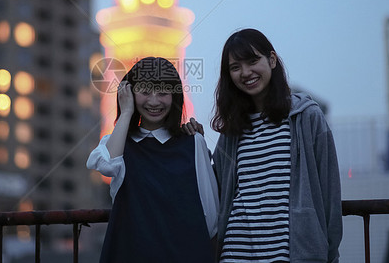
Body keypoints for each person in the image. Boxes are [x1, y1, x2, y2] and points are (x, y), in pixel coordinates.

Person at [184, 29, 342, 262]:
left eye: (252, 61)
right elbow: (216, 187)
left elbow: (329, 193)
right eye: (235, 67)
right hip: (236, 252)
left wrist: (330, 254)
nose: (246, 72)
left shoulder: (306, 117)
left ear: (272, 59)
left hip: (291, 253)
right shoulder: (232, 130)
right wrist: (196, 147)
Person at [87, 57, 218, 263]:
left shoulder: (193, 143)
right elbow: (107, 165)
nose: (154, 101)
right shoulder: (119, 144)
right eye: (145, 92)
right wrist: (127, 112)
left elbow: (211, 216)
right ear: (129, 93)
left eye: (163, 93)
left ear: (174, 96)